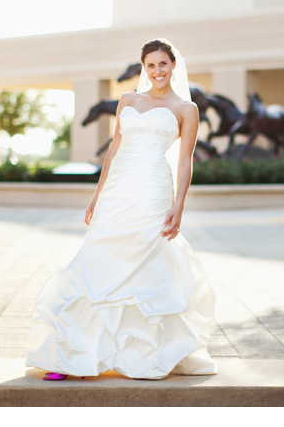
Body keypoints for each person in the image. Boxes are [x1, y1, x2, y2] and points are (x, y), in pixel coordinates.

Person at [25, 39, 217, 380]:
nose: (157, 71)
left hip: (154, 190)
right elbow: (114, 150)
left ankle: (144, 354)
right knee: (96, 261)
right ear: (144, 68)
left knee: (145, 264)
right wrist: (97, 197)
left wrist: (179, 205)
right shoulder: (128, 101)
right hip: (118, 191)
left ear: (173, 66)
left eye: (163, 64)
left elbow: (185, 162)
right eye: (151, 65)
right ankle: (72, 357)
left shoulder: (186, 109)